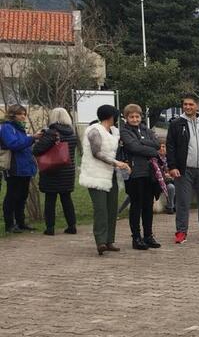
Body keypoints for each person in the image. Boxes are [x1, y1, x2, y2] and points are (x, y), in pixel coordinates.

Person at [166, 94, 199, 244]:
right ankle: (181, 231)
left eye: (191, 104)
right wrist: (172, 166)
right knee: (183, 202)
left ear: (197, 106)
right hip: (184, 170)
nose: (188, 107)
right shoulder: (176, 124)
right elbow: (170, 146)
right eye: (185, 104)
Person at [79, 104, 130, 254]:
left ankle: (109, 240)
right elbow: (97, 153)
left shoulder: (115, 132)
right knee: (100, 209)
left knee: (111, 209)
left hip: (111, 175)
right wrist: (117, 163)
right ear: (111, 116)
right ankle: (100, 241)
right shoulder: (94, 130)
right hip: (95, 176)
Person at [119, 103, 163, 250]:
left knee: (148, 206)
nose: (135, 119)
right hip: (135, 173)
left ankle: (148, 235)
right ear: (126, 118)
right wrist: (149, 148)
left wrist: (143, 142)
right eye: (131, 116)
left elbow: (157, 144)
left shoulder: (147, 129)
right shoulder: (124, 131)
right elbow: (133, 147)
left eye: (137, 116)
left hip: (150, 173)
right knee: (136, 205)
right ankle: (136, 237)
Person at [32, 107, 77, 236]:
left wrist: (38, 140)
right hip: (68, 171)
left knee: (50, 199)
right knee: (66, 198)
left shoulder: (52, 133)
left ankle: (50, 228)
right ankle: (72, 225)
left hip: (52, 170)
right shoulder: (72, 133)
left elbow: (37, 150)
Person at [1, 104, 41, 233]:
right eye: (20, 114)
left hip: (25, 167)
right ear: (12, 115)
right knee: (12, 196)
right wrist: (32, 138)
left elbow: (25, 145)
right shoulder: (7, 128)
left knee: (22, 196)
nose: (23, 116)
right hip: (14, 167)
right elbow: (13, 144)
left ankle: (20, 222)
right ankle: (9, 224)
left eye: (24, 114)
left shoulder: (21, 129)